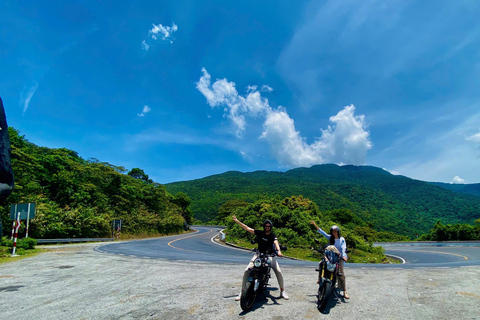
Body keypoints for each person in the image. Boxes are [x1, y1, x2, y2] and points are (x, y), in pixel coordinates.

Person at [232, 215, 289, 300]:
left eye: (268, 226)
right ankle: (242, 291)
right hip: (258, 255)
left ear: (271, 227)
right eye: (266, 226)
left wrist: (279, 251)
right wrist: (237, 221)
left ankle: (282, 291)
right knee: (247, 270)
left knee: (278, 271)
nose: (267, 227)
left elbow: (276, 243)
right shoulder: (260, 233)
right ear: (264, 226)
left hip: (269, 256)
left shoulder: (272, 235)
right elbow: (248, 228)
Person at [310, 220, 349, 299]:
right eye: (333, 231)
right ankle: (319, 278)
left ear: (338, 231)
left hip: (339, 257)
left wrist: (344, 256)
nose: (334, 232)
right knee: (321, 263)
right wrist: (315, 224)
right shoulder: (330, 238)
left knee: (341, 274)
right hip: (330, 256)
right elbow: (322, 232)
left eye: (335, 231)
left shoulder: (342, 239)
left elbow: (343, 248)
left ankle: (345, 291)